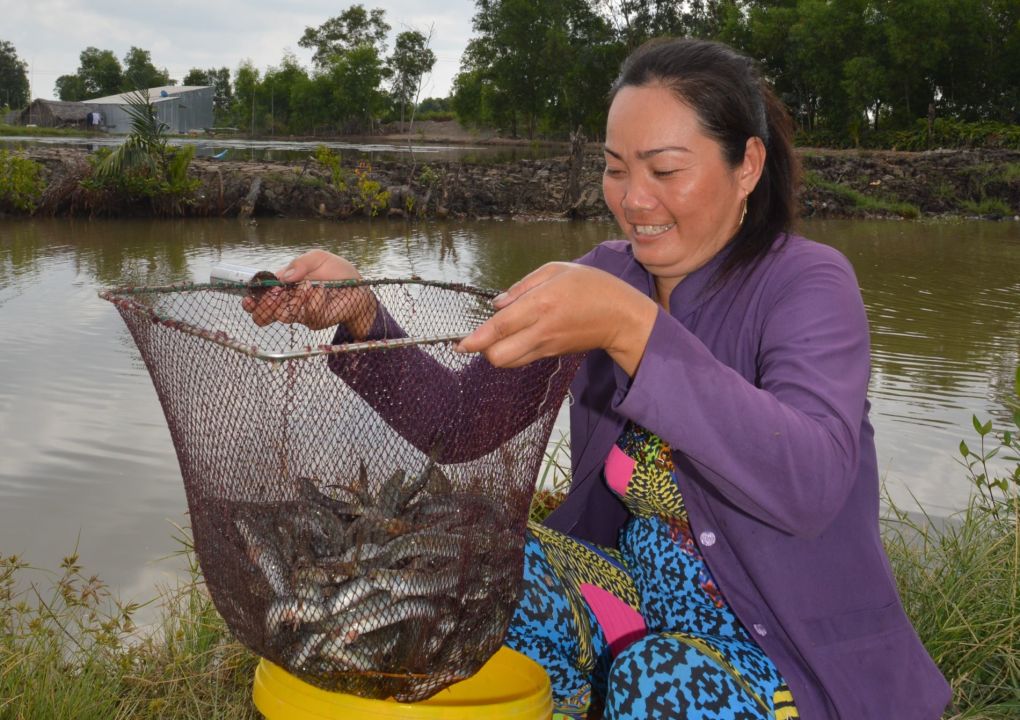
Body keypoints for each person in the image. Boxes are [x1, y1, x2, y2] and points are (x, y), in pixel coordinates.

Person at [245, 37, 950, 720]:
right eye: (616, 168)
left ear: (747, 165)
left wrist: (632, 329)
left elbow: (811, 483)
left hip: (782, 646)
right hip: (629, 600)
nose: (634, 199)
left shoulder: (807, 282)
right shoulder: (607, 276)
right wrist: (364, 315)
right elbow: (459, 424)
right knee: (472, 551)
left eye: (665, 170)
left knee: (654, 680)